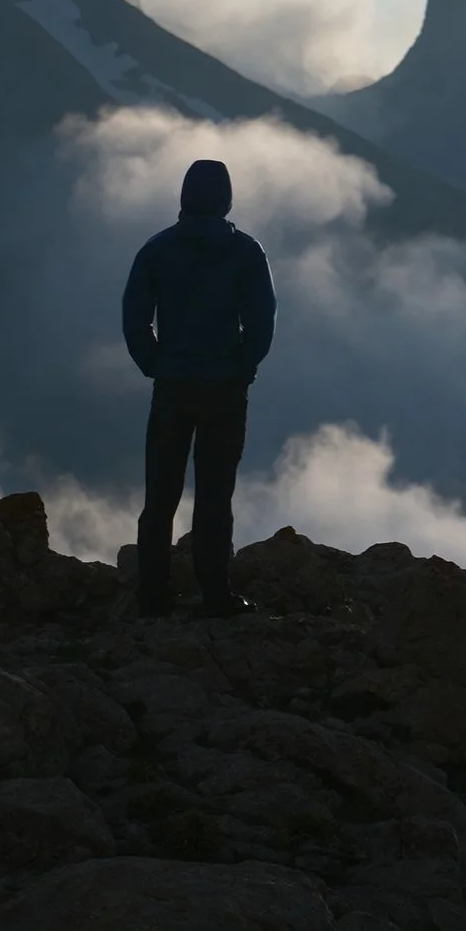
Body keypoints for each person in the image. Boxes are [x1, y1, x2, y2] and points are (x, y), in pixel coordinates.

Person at [122, 158, 276, 616]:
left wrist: (155, 365)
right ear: (225, 199)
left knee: (160, 495)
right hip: (224, 390)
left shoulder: (157, 250)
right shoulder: (247, 252)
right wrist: (243, 366)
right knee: (215, 495)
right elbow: (262, 321)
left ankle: (152, 594)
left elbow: (134, 318)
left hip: (172, 387)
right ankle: (215, 595)